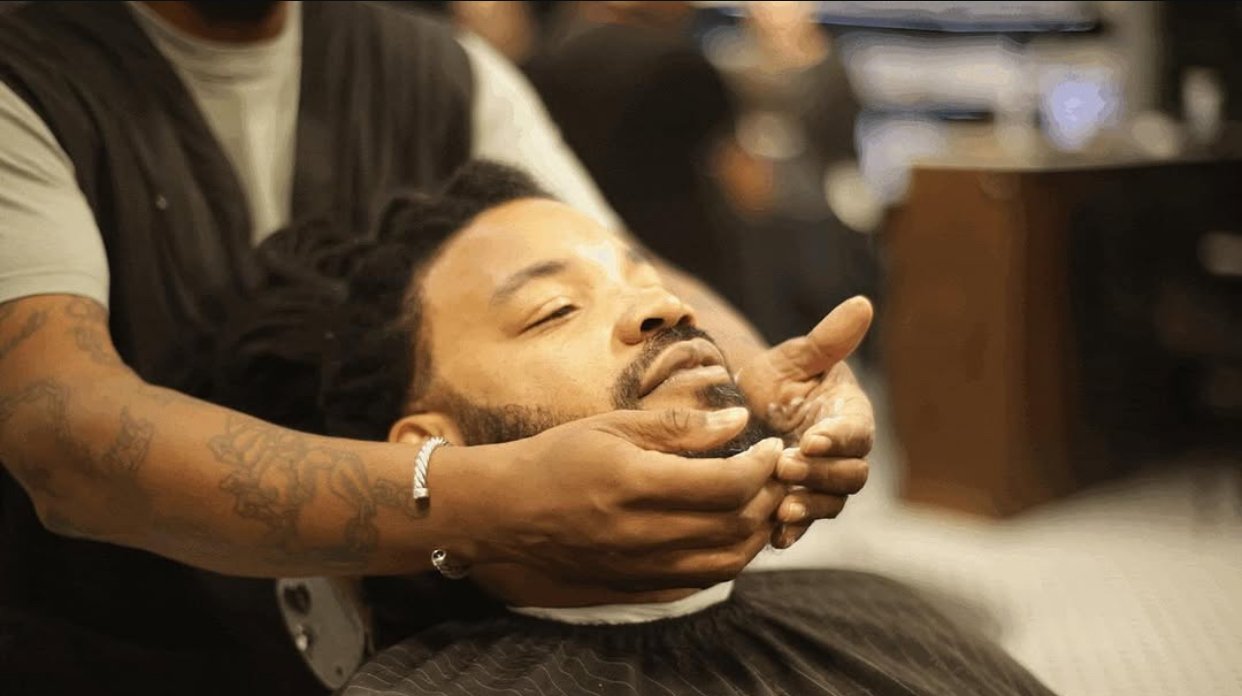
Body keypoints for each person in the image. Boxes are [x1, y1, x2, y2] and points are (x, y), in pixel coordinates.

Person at [0, 2, 876, 693]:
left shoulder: (446, 70)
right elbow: (60, 427)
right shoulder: (26, 83)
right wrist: (487, 499)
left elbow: (616, 258)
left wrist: (758, 373)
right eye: (549, 310)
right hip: (120, 639)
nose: (656, 309)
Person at [210, 160, 1053, 696]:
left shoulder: (885, 612)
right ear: (431, 452)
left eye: (642, 278)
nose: (665, 305)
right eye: (553, 309)